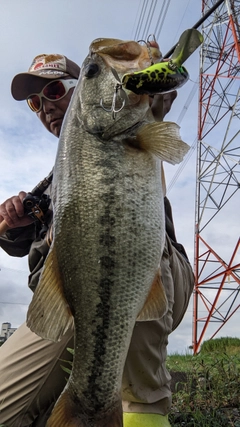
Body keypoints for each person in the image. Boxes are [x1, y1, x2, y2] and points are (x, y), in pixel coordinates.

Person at [0, 51, 194, 427]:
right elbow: (30, 251)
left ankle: (143, 410)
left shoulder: (129, 128)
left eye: (54, 90)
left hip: (151, 277)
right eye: (35, 103)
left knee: (121, 260)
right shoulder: (53, 184)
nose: (45, 108)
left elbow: (162, 130)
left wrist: (152, 101)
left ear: (79, 91)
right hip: (76, 306)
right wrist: (15, 227)